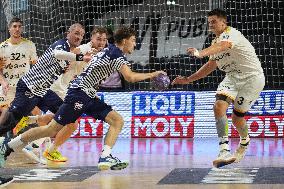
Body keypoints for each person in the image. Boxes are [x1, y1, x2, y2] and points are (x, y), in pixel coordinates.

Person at [0, 26, 166, 171]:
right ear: (124, 40)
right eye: (133, 40)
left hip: (87, 94)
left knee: (117, 120)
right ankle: (10, 145)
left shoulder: (108, 51)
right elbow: (129, 77)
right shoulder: (114, 54)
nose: (135, 44)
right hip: (78, 93)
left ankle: (105, 156)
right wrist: (153, 74)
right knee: (52, 129)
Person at [172, 9, 265, 168]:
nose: (211, 25)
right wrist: (188, 79)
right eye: (209, 23)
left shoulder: (232, 34)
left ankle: (245, 141)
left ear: (224, 22)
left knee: (237, 118)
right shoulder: (214, 43)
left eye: (214, 21)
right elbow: (210, 66)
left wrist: (199, 53)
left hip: (252, 79)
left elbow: (224, 45)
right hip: (232, 78)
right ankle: (224, 150)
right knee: (218, 106)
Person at [0, 22, 90, 166]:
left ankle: (32, 122)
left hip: (43, 91)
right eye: (76, 33)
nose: (78, 37)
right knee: (10, 121)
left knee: (69, 115)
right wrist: (81, 58)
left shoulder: (70, 54)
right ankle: (6, 145)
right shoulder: (62, 44)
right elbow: (57, 54)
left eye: (81, 35)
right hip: (29, 87)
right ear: (68, 33)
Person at [43, 26, 109, 162]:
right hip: (60, 88)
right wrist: (67, 63)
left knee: (58, 120)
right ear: (91, 38)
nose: (101, 42)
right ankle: (50, 150)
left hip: (67, 90)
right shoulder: (85, 49)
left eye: (104, 40)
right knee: (72, 124)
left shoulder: (101, 54)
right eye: (98, 39)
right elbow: (73, 52)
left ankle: (30, 123)